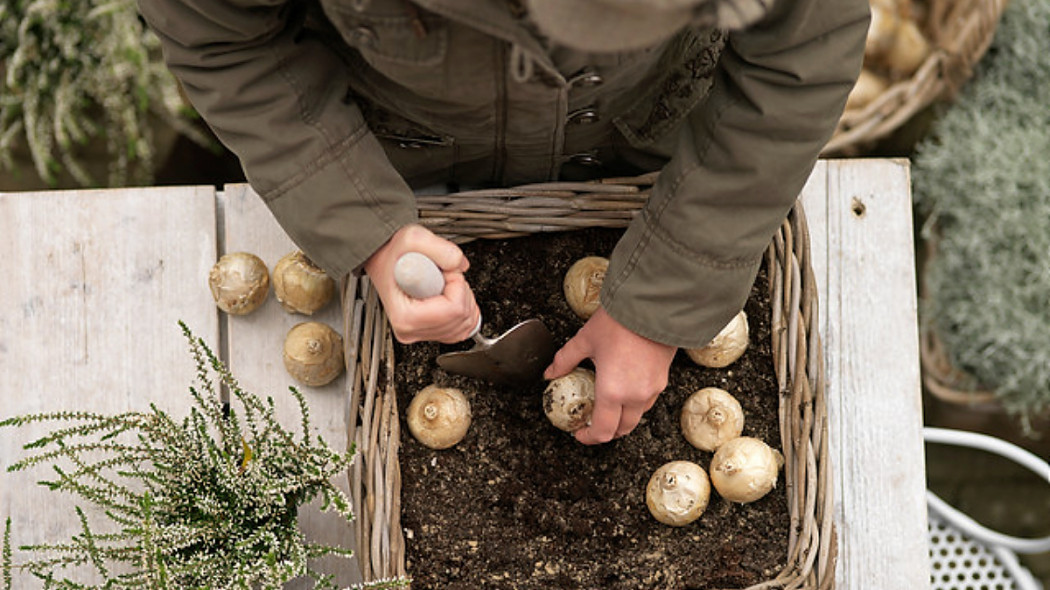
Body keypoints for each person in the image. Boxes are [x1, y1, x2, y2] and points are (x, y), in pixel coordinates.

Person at [138, 0, 868, 444]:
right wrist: (365, 222)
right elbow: (223, 40)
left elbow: (806, 48)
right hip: (393, 152)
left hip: (654, 146)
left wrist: (666, 296)